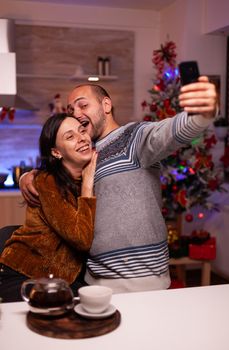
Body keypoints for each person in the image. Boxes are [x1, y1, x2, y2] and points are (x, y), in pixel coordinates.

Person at [19, 77, 217, 293]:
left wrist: (202, 114)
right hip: (92, 282)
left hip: (142, 282)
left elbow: (169, 133)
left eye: (83, 105)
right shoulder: (83, 154)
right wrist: (31, 175)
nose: (76, 113)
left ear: (106, 105)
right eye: (71, 108)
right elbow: (56, 176)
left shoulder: (133, 138)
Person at [0, 114, 97, 302]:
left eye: (82, 131)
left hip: (60, 279)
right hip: (23, 274)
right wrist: (88, 184)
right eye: (70, 137)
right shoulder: (47, 181)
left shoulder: (81, 178)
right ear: (56, 152)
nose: (81, 138)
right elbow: (82, 239)